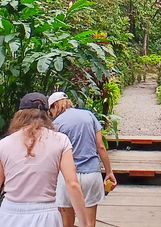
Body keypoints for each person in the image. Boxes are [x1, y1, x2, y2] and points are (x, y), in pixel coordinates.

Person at [0, 92, 94, 227]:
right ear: (46, 114)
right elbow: (73, 184)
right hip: (46, 215)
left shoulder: (4, 144)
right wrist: (85, 224)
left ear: (19, 115)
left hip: (9, 215)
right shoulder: (60, 141)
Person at [48, 91, 117, 227]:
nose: (52, 114)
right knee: (89, 223)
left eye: (51, 111)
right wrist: (109, 172)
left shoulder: (56, 124)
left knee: (66, 223)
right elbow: (101, 146)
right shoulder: (89, 115)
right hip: (91, 175)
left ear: (55, 105)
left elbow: (53, 154)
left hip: (67, 178)